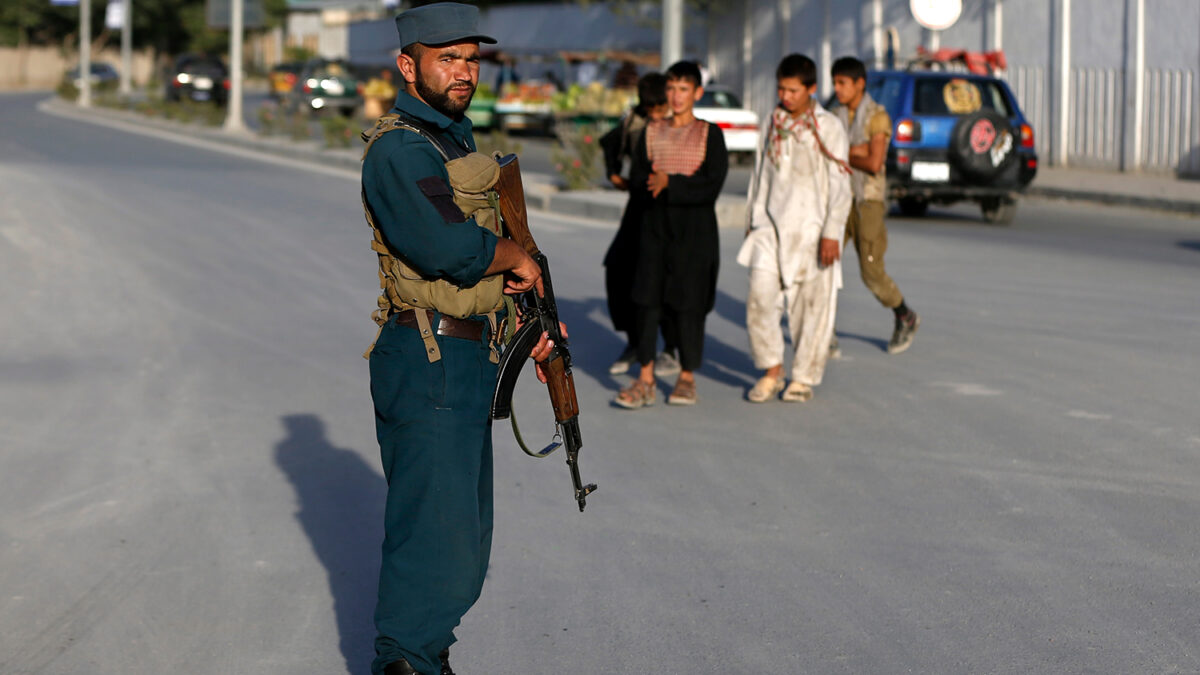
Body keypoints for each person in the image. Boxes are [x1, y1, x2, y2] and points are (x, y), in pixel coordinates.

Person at [359, 4, 560, 674]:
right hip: (427, 356)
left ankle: (424, 651)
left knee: (466, 542)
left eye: (472, 58)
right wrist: (514, 257)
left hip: (468, 355)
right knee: (434, 537)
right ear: (408, 65)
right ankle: (405, 660)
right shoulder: (400, 147)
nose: (465, 71)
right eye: (449, 58)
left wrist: (529, 317)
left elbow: (474, 260)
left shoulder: (454, 144)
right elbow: (445, 243)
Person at [613, 60, 728, 408]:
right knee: (646, 301)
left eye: (683, 89)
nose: (676, 96)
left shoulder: (710, 133)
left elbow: (711, 185)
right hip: (654, 230)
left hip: (695, 235)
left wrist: (670, 183)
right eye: (672, 89)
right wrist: (656, 184)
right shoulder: (650, 130)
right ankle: (645, 378)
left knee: (689, 304)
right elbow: (638, 180)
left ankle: (687, 376)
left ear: (697, 93)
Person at [738, 54, 852, 403]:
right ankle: (772, 369)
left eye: (793, 90)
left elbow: (841, 184)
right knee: (760, 298)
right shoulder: (772, 123)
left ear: (811, 89)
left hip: (814, 229)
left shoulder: (829, 126)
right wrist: (752, 223)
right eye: (781, 89)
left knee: (811, 309)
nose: (785, 96)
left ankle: (803, 377)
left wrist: (832, 231)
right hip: (770, 228)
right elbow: (758, 178)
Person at [831, 56, 920, 354]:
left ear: (859, 84)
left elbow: (873, 161)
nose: (838, 89)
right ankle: (823, 328)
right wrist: (851, 150)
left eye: (843, 83)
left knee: (871, 270)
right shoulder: (834, 115)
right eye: (835, 83)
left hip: (867, 199)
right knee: (824, 264)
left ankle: (904, 315)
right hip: (837, 196)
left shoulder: (876, 116)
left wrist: (842, 151)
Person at [599, 73, 681, 377]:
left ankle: (671, 348)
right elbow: (609, 142)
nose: (657, 115)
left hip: (671, 212)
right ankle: (635, 342)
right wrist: (613, 173)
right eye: (652, 109)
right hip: (639, 208)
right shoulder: (634, 121)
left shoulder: (681, 122)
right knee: (619, 270)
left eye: (661, 108)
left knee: (668, 281)